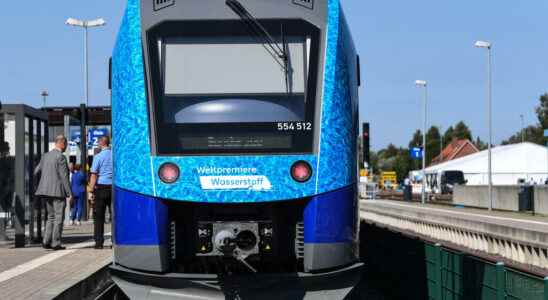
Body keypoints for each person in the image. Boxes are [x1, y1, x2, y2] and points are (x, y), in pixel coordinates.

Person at [34, 135, 73, 250]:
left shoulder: (45, 156)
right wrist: (70, 193)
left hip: (45, 191)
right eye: (65, 144)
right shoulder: (60, 157)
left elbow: (36, 171)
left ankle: (46, 241)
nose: (66, 147)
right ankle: (55, 243)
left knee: (50, 217)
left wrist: (42, 184)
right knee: (59, 217)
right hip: (57, 192)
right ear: (62, 143)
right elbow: (64, 177)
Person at [88, 136, 113, 249]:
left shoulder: (98, 157)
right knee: (115, 216)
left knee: (98, 217)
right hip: (114, 189)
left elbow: (94, 175)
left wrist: (90, 190)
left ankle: (99, 243)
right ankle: (115, 241)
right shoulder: (115, 155)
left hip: (100, 189)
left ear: (100, 144)